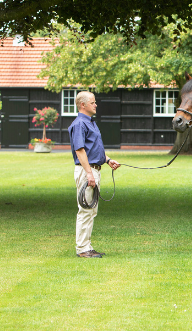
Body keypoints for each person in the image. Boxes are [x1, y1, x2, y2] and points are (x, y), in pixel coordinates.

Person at [68, 91, 120, 258]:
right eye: (92, 102)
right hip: (87, 170)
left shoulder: (91, 123)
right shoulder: (79, 124)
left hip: (93, 169)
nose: (96, 105)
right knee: (85, 210)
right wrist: (89, 174)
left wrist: (108, 159)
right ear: (83, 105)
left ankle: (87, 246)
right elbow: (80, 150)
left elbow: (93, 149)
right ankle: (82, 249)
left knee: (91, 210)